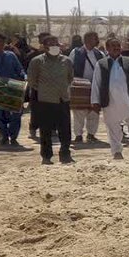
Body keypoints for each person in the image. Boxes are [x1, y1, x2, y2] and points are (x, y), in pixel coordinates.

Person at [90, 38, 129, 159]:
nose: (116, 48)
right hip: (110, 102)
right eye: (113, 46)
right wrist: (95, 102)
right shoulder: (101, 64)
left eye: (118, 45)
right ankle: (117, 151)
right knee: (113, 127)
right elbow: (96, 84)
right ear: (107, 48)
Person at [27, 36, 75, 165]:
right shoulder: (37, 61)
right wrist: (45, 89)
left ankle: (65, 154)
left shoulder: (67, 61)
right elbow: (32, 80)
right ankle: (46, 156)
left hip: (63, 99)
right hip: (45, 100)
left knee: (65, 129)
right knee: (46, 130)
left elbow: (70, 78)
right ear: (44, 46)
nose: (54, 45)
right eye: (50, 43)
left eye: (55, 43)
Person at [70, 31, 104, 143]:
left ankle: (91, 134)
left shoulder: (100, 54)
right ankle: (78, 135)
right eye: (91, 39)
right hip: (80, 87)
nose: (93, 41)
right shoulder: (76, 52)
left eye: (95, 39)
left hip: (95, 86)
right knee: (79, 111)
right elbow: (69, 67)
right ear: (86, 40)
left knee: (94, 111)